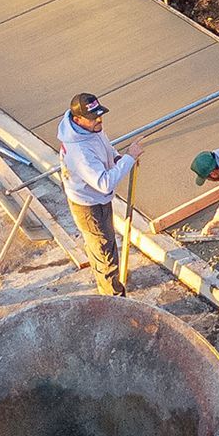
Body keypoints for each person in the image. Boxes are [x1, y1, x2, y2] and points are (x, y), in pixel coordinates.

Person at [57, 91, 140, 295]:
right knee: (105, 254)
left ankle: (107, 284)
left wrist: (119, 158)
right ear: (77, 119)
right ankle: (113, 298)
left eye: (100, 115)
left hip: (95, 199)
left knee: (101, 245)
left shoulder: (88, 129)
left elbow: (106, 146)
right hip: (90, 206)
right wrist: (129, 158)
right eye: (94, 118)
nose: (99, 121)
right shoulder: (80, 152)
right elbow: (103, 183)